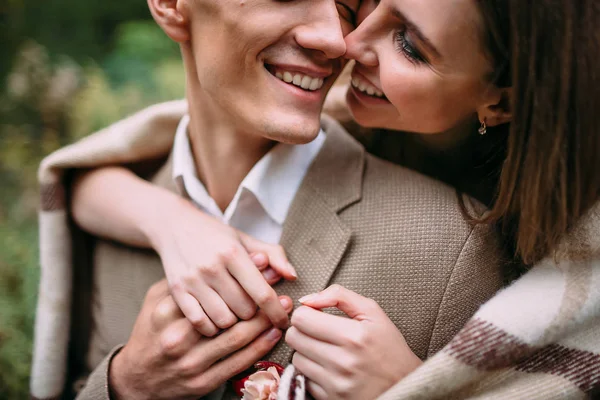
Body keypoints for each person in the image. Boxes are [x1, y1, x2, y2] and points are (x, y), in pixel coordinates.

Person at [41, 0, 600, 398]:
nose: (342, 40)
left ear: (498, 102)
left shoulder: (458, 244)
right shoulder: (107, 206)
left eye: (344, 1)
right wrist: (124, 386)